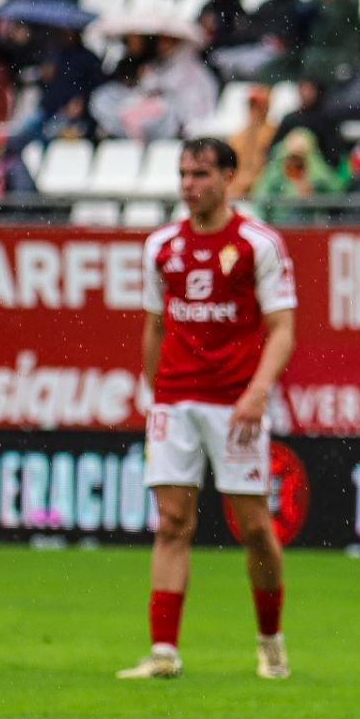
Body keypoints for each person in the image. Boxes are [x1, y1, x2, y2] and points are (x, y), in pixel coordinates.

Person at [124, 137, 299, 682]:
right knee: (172, 522)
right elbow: (154, 326)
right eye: (182, 174)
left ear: (229, 177)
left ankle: (270, 638)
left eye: (199, 174)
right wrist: (155, 392)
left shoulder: (257, 244)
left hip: (235, 402)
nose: (188, 185)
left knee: (252, 528)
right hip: (175, 399)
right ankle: (163, 651)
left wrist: (257, 390)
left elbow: (283, 329)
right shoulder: (160, 246)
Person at [252, 126, 345, 220]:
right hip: (280, 225)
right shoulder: (275, 173)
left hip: (311, 227)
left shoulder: (318, 173)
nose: (295, 164)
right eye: (292, 157)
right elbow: (260, 200)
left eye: (300, 158)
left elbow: (337, 193)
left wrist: (314, 191)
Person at [298, 0, 360, 89]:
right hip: (321, 53)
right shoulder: (315, 3)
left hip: (344, 51)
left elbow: (351, 15)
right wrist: (321, 2)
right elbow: (300, 16)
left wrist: (334, 0)